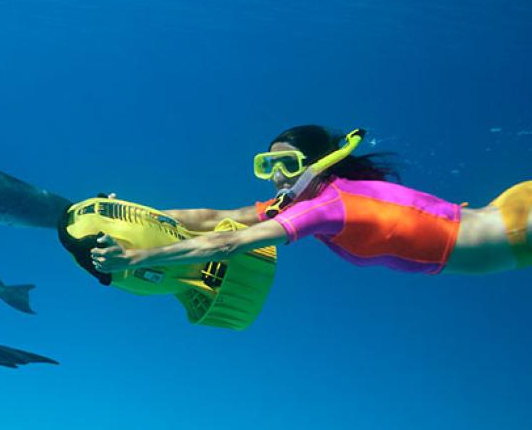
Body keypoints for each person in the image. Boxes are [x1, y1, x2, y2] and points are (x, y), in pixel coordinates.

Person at [89, 125, 532, 276]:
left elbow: (226, 243)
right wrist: (126, 213)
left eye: (289, 164)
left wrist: (139, 257)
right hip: (508, 219)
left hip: (517, 230)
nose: (278, 177)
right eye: (267, 166)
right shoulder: (310, 201)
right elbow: (216, 218)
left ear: (321, 163)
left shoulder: (326, 206)